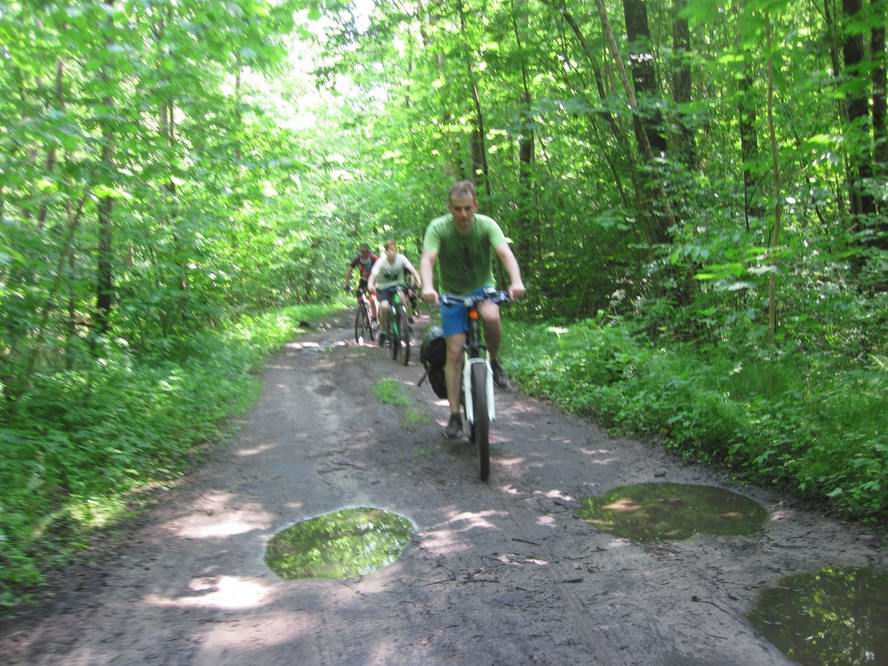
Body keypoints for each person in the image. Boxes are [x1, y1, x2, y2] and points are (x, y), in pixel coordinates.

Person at [420, 180, 526, 439]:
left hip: (483, 290)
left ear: (475, 206)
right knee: (454, 353)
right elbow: (428, 258)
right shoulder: (438, 228)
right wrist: (428, 287)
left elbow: (504, 253)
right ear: (450, 208)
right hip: (453, 296)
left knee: (491, 316)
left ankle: (494, 361)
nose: (463, 215)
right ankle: (455, 415)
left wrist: (516, 282)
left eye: (468, 208)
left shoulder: (487, 225)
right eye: (457, 209)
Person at [367, 240, 422, 346]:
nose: (393, 252)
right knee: (384, 307)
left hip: (398, 286)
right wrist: (370, 285)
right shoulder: (381, 261)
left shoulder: (401, 258)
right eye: (391, 250)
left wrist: (418, 281)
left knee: (403, 299)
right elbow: (372, 276)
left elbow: (413, 270)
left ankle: (404, 323)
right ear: (386, 252)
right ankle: (383, 330)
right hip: (383, 288)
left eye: (395, 250)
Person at [344, 243, 379, 321]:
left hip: (373, 281)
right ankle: (364, 313)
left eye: (365, 251)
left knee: (372, 299)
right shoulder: (358, 259)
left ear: (368, 251)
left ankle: (374, 317)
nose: (363, 253)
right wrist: (346, 284)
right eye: (362, 251)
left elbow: (380, 269)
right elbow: (349, 271)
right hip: (363, 281)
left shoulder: (373, 258)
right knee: (359, 296)